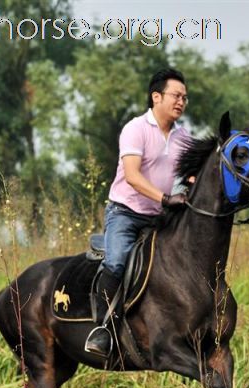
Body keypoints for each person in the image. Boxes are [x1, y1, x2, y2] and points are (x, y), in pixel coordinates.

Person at [85, 68, 192, 356]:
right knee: (118, 261)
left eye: (185, 97)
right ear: (156, 97)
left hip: (160, 217)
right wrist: (166, 198)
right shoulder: (136, 129)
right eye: (176, 95)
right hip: (126, 213)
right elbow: (132, 176)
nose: (181, 101)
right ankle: (102, 330)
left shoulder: (184, 137)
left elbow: (192, 175)